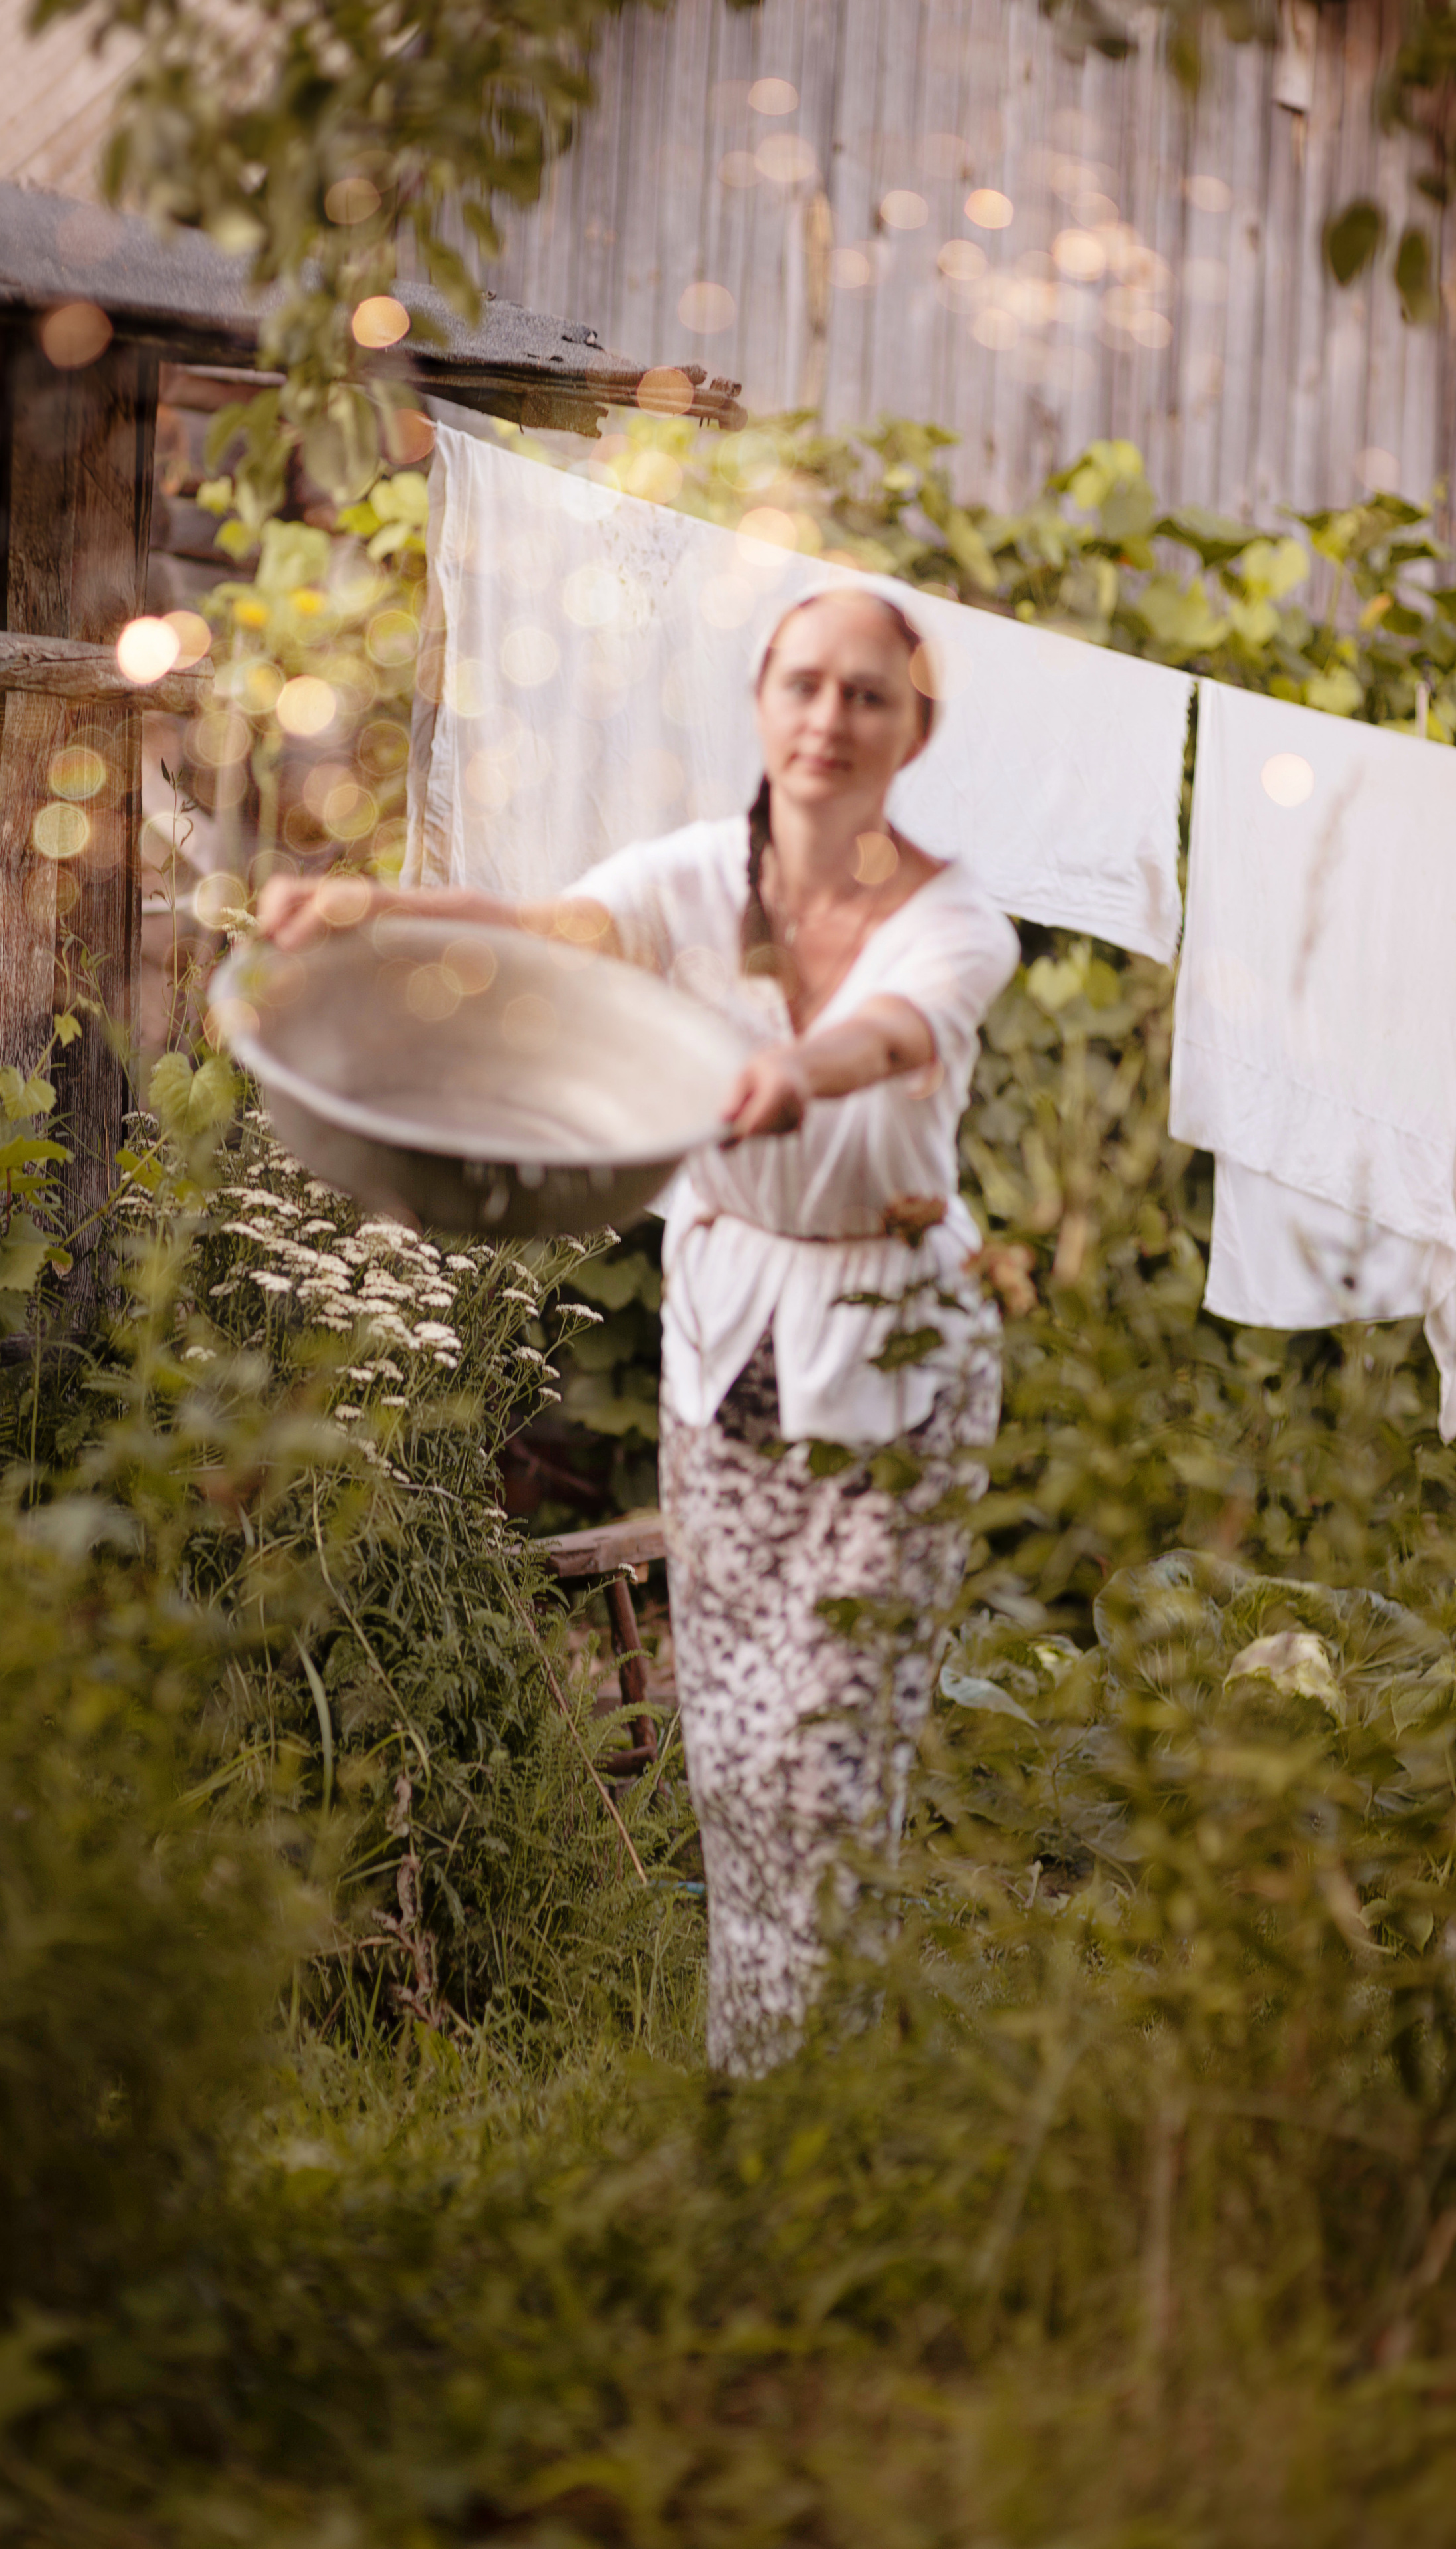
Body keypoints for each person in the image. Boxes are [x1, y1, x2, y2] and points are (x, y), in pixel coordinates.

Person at [259, 572, 1019, 2075]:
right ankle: (756, 2073)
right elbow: (553, 932)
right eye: (801, 683)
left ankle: (835, 2075)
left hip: (894, 1355)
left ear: (911, 730)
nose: (827, 718)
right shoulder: (692, 874)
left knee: (833, 1743)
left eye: (865, 693)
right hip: (731, 1330)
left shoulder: (953, 919)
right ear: (761, 699)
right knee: (734, 1742)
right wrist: (376, 901)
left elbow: (894, 1032)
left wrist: (799, 1068)